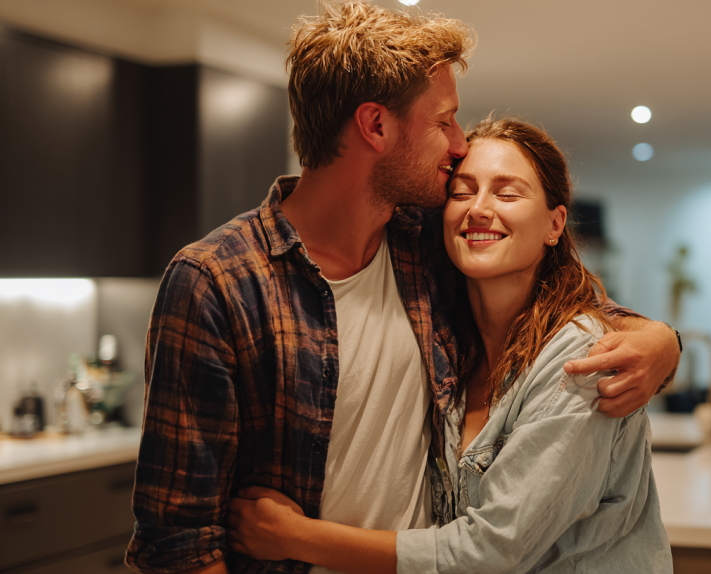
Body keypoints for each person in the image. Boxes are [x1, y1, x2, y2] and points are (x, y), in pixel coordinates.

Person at [125, 3, 680, 574]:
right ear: (376, 126)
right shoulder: (217, 282)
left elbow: (560, 302)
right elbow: (178, 541)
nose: (459, 142)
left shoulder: (422, 244)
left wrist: (660, 339)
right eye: (443, 121)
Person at [225, 117, 673, 574]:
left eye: (507, 192)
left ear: (554, 224)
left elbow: (490, 552)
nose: (479, 208)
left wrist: (297, 538)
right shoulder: (447, 340)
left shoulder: (582, 362)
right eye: (462, 191)